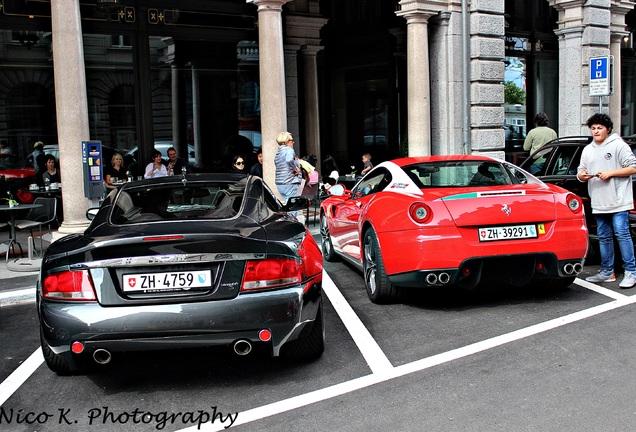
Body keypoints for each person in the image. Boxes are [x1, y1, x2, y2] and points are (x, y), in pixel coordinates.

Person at [577, 113, 636, 288]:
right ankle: (607, 271)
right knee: (604, 237)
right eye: (593, 128)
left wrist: (610, 173)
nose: (596, 131)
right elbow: (580, 171)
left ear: (608, 129)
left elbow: (633, 167)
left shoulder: (619, 145)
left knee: (622, 233)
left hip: (619, 200)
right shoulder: (588, 149)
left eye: (599, 128)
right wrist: (582, 176)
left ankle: (631, 272)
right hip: (599, 201)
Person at [274, 131, 302, 204]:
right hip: (289, 182)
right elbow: (289, 160)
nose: (293, 142)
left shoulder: (278, 152)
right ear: (286, 141)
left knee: (287, 204)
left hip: (280, 183)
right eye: (292, 140)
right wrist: (295, 168)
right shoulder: (289, 150)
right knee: (293, 207)